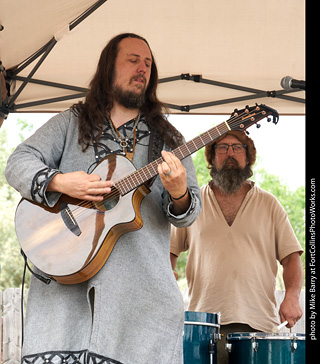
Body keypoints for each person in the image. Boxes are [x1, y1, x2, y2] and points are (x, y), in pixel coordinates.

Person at [5, 33, 201, 364]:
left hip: (138, 297)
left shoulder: (169, 139)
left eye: (149, 64)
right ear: (109, 67)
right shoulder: (72, 121)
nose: (143, 69)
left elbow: (189, 211)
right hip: (63, 294)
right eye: (133, 60)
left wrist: (179, 191)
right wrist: (63, 182)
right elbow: (18, 162)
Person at [170, 130, 304, 364]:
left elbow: (291, 257)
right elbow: (168, 253)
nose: (230, 153)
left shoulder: (269, 204)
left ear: (248, 157)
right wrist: (167, 280)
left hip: (259, 327)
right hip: (204, 327)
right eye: (222, 148)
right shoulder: (193, 204)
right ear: (211, 158)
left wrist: (292, 296)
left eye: (237, 147)